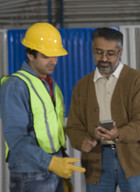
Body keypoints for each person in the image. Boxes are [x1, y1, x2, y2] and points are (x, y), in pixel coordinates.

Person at [0, 22, 85, 191]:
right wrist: (52, 163)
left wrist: (61, 160)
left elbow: (53, 134)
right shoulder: (16, 86)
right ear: (30, 55)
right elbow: (16, 138)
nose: (53, 61)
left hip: (53, 169)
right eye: (46, 56)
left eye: (56, 55)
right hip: (31, 174)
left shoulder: (52, 86)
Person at [66, 27, 140, 192]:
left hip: (133, 159)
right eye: (99, 52)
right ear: (92, 50)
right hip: (96, 161)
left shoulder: (137, 80)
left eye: (110, 53)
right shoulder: (82, 86)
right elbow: (73, 126)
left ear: (120, 53)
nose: (104, 58)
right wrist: (82, 140)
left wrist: (118, 133)